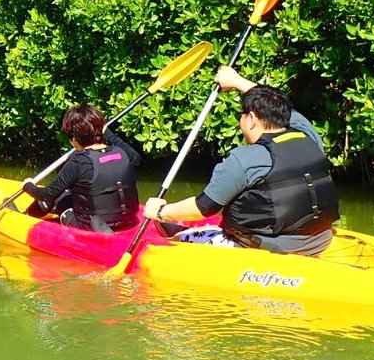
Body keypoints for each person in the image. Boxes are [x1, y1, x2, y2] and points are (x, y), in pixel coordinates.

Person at [142, 66, 340, 256]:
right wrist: (236, 81)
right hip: (319, 240)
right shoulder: (308, 137)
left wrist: (161, 211)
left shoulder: (244, 159)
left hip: (265, 246)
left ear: (252, 119)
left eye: (242, 115)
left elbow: (203, 208)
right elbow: (286, 110)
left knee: (178, 238)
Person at [22, 105, 142, 233]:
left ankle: (25, 216)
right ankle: (35, 213)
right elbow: (136, 159)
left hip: (92, 229)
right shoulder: (123, 153)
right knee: (71, 189)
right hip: (129, 223)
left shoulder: (79, 162)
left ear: (74, 139)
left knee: (61, 193)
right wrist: (108, 134)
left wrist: (29, 186)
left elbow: (48, 195)